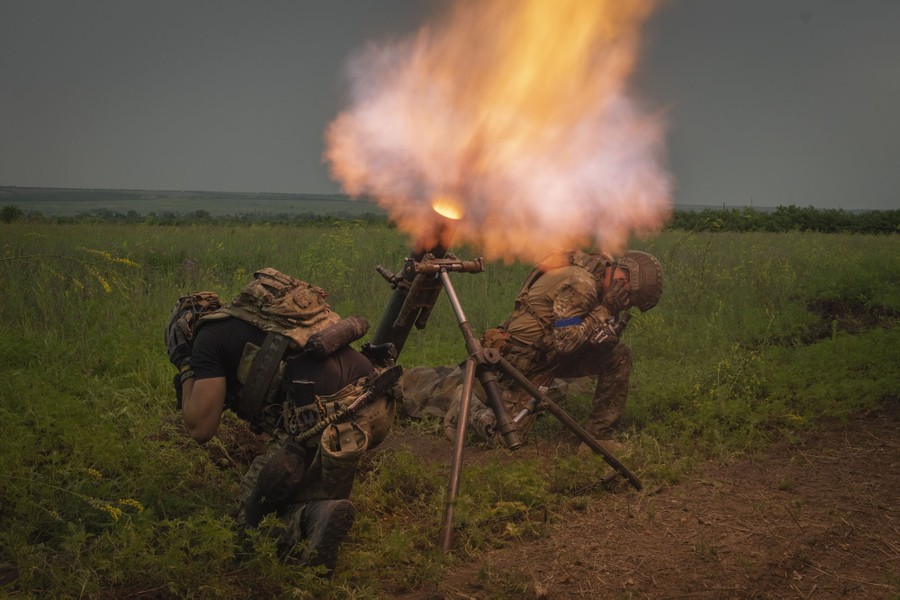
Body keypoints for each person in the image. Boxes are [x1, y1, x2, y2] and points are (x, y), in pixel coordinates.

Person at [165, 268, 396, 575]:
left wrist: (185, 364)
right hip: (376, 403)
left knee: (247, 522)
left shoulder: (208, 338)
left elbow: (200, 428)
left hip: (325, 421)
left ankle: (312, 518)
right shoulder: (257, 319)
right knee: (296, 475)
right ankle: (320, 497)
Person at [399, 249, 663, 451]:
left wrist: (606, 329)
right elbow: (566, 342)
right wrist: (606, 310)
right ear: (622, 278)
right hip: (523, 361)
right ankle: (465, 403)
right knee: (506, 436)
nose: (626, 304)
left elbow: (572, 339)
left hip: (551, 355)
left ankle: (598, 438)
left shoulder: (598, 272)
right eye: (630, 298)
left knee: (619, 356)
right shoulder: (583, 284)